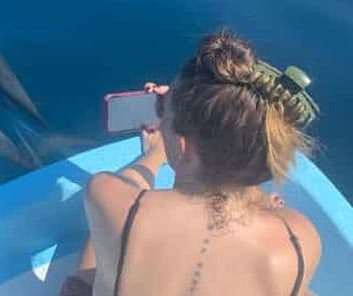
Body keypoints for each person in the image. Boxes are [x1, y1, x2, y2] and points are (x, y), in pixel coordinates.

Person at [61, 30, 322, 296]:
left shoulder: (113, 200)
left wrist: (154, 155)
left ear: (184, 145)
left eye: (163, 110)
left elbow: (126, 182)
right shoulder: (298, 238)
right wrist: (264, 206)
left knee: (79, 283)